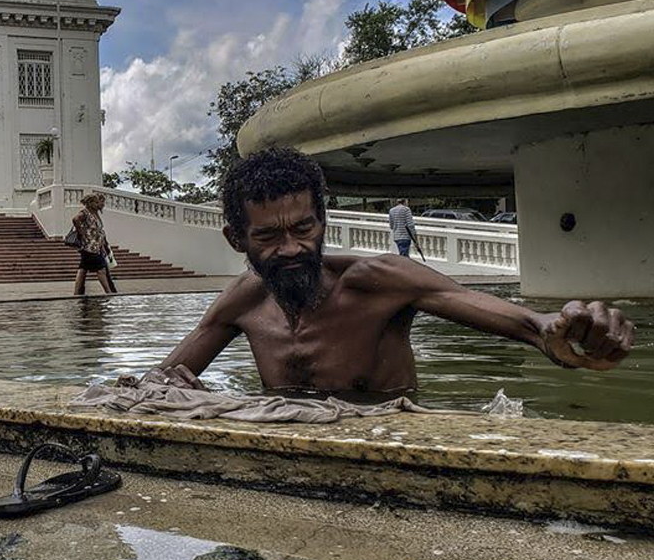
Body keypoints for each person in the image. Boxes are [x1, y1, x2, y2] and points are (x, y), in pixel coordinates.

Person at [151, 148, 634, 394]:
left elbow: (532, 326)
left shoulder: (379, 281)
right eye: (268, 237)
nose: (292, 248)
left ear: (323, 221)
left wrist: (564, 331)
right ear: (237, 240)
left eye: (303, 228)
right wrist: (184, 394)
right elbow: (156, 381)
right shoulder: (242, 303)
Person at [72, 193, 116, 296]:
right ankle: (108, 292)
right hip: (90, 247)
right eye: (96, 202)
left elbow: (98, 230)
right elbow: (75, 219)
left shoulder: (94, 214)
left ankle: (77, 293)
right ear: (90, 203)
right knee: (100, 269)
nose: (98, 204)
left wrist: (103, 244)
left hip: (95, 246)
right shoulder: (85, 213)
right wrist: (82, 233)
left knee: (82, 269)